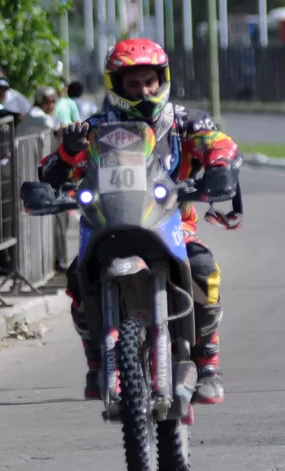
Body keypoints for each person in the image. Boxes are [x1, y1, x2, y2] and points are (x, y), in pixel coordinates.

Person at [36, 38, 241, 405]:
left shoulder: (185, 121)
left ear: (162, 79)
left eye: (149, 81)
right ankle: (96, 361)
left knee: (205, 270)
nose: (143, 91)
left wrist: (221, 168)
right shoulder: (92, 129)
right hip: (105, 223)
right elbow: (49, 174)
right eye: (133, 84)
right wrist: (67, 153)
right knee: (77, 279)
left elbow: (218, 142)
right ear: (116, 86)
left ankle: (208, 361)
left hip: (171, 222)